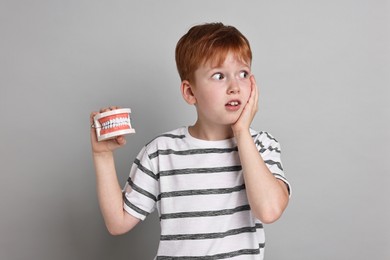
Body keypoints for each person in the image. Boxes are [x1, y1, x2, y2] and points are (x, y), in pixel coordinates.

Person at [90, 22, 291, 259]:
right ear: (189, 92)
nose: (235, 86)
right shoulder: (161, 152)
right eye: (219, 76)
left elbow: (268, 211)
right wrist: (102, 156)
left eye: (243, 74)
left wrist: (242, 133)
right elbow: (117, 223)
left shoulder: (261, 144)